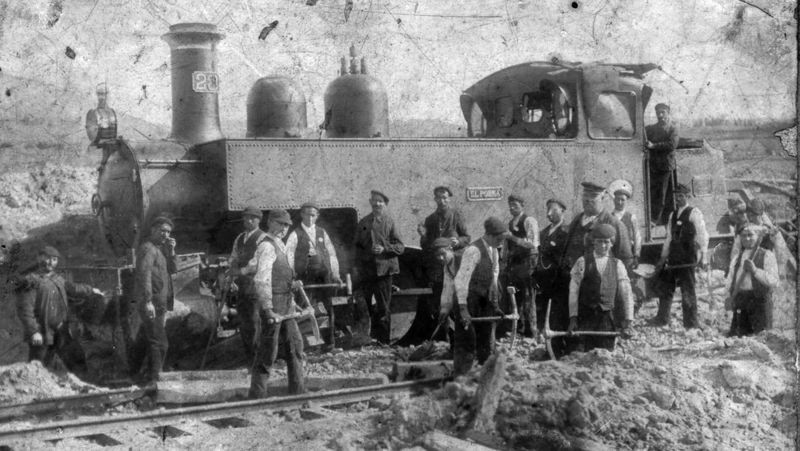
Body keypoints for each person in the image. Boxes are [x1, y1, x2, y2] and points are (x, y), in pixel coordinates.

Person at [15, 245, 104, 372]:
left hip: (61, 330)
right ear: (39, 259)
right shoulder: (30, 282)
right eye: (47, 258)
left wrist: (91, 290)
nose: (51, 262)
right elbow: (25, 311)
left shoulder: (57, 279)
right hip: (42, 333)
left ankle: (83, 388)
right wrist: (34, 332)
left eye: (54, 259)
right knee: (38, 369)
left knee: (77, 360)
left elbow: (73, 289)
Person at [249, 209, 307, 398]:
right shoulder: (266, 246)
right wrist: (268, 309)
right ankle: (257, 396)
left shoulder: (279, 244)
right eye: (280, 224)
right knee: (268, 351)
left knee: (295, 346)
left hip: (286, 301)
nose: (284, 228)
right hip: (273, 303)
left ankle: (298, 392)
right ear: (270, 222)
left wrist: (293, 282)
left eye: (287, 225)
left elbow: (280, 273)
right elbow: (262, 279)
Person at [452, 217, 508, 374]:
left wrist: (495, 305)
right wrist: (463, 309)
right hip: (468, 300)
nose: (501, 242)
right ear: (489, 235)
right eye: (499, 239)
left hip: (484, 301)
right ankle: (461, 379)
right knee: (467, 342)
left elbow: (494, 275)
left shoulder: (494, 250)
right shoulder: (473, 251)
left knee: (485, 341)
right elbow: (461, 280)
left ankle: (483, 377)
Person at [567, 224, 634, 351]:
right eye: (599, 242)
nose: (603, 246)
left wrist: (628, 321)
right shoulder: (582, 262)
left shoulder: (618, 265)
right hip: (585, 318)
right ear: (593, 242)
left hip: (607, 320)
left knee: (605, 356)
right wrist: (573, 318)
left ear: (612, 243)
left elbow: (626, 294)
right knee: (582, 355)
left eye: (606, 242)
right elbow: (573, 292)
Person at [285, 201, 342, 349]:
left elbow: (332, 254)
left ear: (317, 216)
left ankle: (329, 343)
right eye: (307, 214)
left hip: (324, 277)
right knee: (307, 310)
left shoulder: (322, 233)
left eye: (313, 215)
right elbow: (289, 256)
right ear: (301, 214)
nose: (310, 218)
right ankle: (308, 346)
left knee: (327, 307)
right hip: (305, 278)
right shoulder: (295, 234)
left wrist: (335, 274)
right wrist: (292, 276)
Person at [651, 184, 708, 328]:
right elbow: (668, 237)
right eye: (676, 196)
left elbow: (703, 236)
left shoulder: (694, 213)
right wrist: (663, 258)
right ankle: (662, 319)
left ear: (687, 197)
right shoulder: (672, 214)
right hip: (674, 258)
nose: (678, 199)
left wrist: (704, 257)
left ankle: (691, 323)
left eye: (681, 196)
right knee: (666, 287)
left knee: (688, 290)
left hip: (687, 258)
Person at [418, 186, 470, 337]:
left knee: (455, 302)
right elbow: (426, 246)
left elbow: (467, 237)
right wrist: (423, 236)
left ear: (449, 198)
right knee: (438, 302)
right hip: (437, 268)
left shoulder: (456, 215)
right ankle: (443, 338)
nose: (442, 201)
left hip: (453, 266)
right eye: (439, 198)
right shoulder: (430, 219)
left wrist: (458, 241)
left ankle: (460, 337)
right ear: (434, 199)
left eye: (445, 197)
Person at [354, 190, 405, 344]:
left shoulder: (390, 222)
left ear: (385, 204)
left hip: (384, 272)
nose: (377, 204)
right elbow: (357, 247)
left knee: (383, 308)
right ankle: (370, 340)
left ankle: (384, 342)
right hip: (367, 272)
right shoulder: (363, 223)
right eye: (374, 201)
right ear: (370, 202)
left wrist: (385, 249)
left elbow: (400, 247)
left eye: (380, 201)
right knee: (367, 307)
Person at [133, 216, 178, 384]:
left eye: (168, 232)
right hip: (152, 303)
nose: (165, 234)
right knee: (160, 344)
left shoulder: (161, 249)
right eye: (162, 231)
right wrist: (147, 302)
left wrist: (172, 251)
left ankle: (146, 375)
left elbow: (174, 270)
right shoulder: (148, 248)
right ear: (153, 230)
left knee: (151, 340)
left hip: (160, 303)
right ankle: (155, 380)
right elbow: (144, 276)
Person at [560, 181, 633, 273]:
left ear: (603, 198)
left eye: (593, 196)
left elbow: (626, 260)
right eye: (585, 195)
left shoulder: (615, 224)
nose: (588, 199)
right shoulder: (577, 220)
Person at [226, 206, 267, 361]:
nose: (249, 221)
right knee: (244, 322)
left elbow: (256, 264)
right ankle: (249, 357)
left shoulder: (263, 238)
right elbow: (234, 257)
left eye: (253, 218)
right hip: (243, 286)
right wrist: (232, 271)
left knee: (255, 321)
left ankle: (258, 359)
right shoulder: (240, 238)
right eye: (246, 217)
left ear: (258, 220)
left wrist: (240, 271)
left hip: (257, 286)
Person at [726, 223, 779, 337]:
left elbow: (774, 281)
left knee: (762, 337)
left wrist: (755, 271)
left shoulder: (767, 255)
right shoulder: (736, 259)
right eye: (743, 235)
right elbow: (731, 280)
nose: (747, 238)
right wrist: (729, 297)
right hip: (741, 301)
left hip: (759, 302)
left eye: (750, 235)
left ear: (758, 236)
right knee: (739, 339)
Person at [534, 198, 570, 357]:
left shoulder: (567, 232)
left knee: (559, 316)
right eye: (547, 210)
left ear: (562, 211)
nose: (549, 214)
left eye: (553, 210)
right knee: (546, 317)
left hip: (560, 282)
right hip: (545, 282)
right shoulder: (543, 233)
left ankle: (560, 350)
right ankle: (550, 350)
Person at [503, 194, 539, 337]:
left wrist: (512, 237)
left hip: (527, 262)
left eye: (515, 206)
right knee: (516, 296)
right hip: (515, 264)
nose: (512, 208)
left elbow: (532, 243)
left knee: (528, 296)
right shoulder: (510, 223)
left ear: (522, 206)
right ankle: (520, 329)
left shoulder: (529, 220)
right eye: (510, 206)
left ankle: (532, 331)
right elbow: (507, 246)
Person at [645, 103, 680, 224]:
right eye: (658, 113)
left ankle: (655, 220)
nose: (660, 115)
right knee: (654, 193)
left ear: (668, 113)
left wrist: (653, 146)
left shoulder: (673, 129)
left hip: (665, 167)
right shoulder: (651, 128)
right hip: (653, 166)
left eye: (663, 112)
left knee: (661, 195)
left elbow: (672, 145)